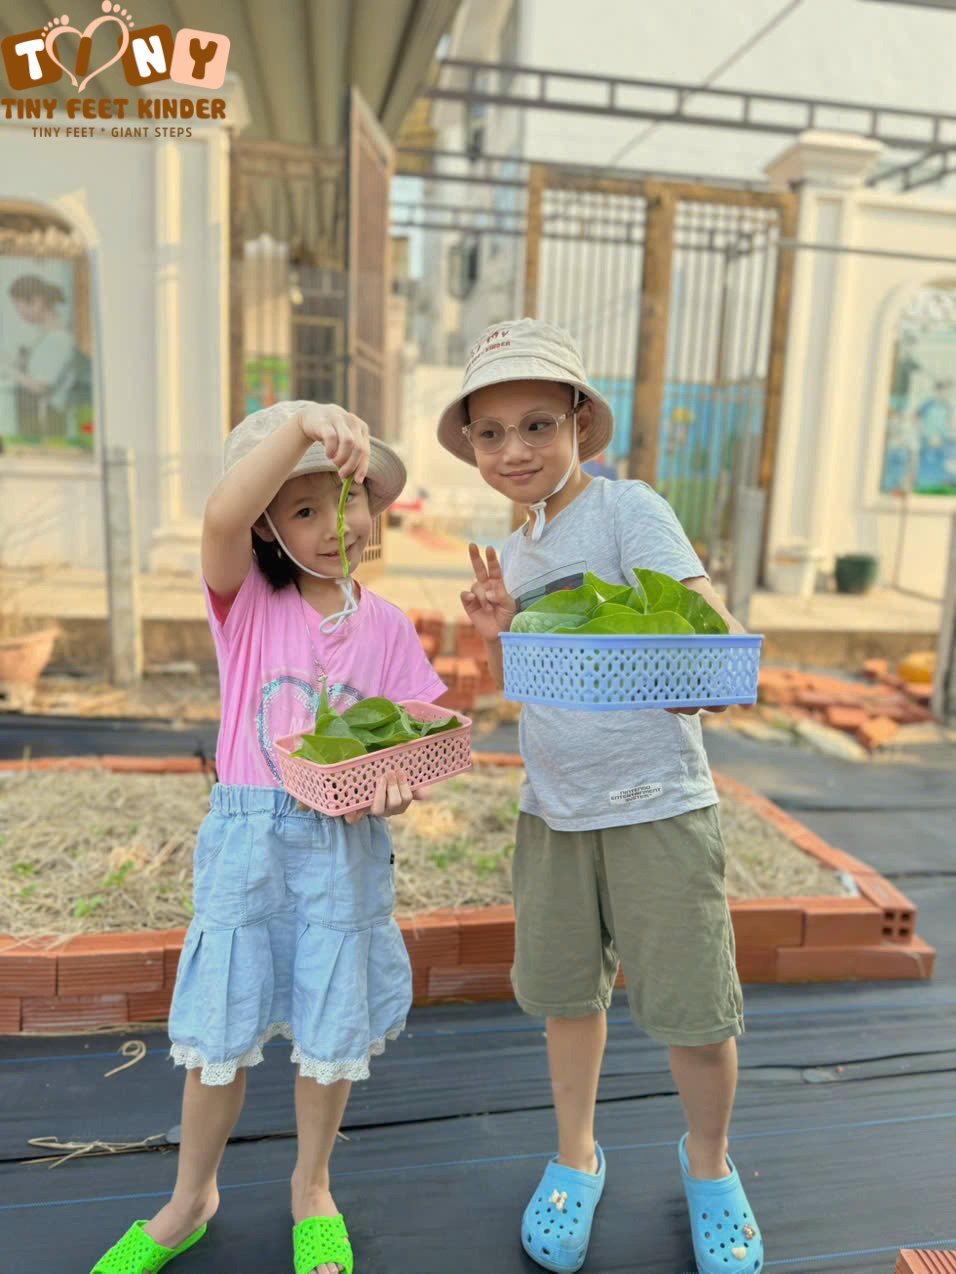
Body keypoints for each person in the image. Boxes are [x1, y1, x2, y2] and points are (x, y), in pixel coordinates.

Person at [436, 319, 761, 1274]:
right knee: (568, 1001)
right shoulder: (516, 551)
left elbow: (709, 627)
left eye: (537, 424)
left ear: (580, 421)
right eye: (491, 433)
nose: (515, 450)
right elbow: (540, 686)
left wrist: (696, 668)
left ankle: (711, 1167)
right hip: (555, 812)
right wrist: (501, 634)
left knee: (697, 1011)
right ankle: (576, 1156)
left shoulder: (629, 510)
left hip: (657, 805)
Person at [91, 400, 446, 1274]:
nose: (336, 527)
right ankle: (191, 1199)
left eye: (347, 501)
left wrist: (394, 790)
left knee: (329, 1031)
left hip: (341, 852)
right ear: (265, 526)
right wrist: (304, 427)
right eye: (303, 509)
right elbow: (218, 517)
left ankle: (311, 1186)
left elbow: (406, 742)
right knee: (220, 1034)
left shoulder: (387, 626)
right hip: (250, 849)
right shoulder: (245, 602)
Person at [2, 275, 78, 439]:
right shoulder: (46, 334)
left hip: (49, 421)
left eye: (20, 306)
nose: (20, 313)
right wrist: (18, 364)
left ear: (38, 301)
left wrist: (8, 370)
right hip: (41, 416)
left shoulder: (59, 339)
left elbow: (40, 387)